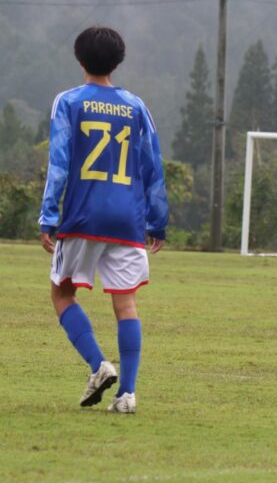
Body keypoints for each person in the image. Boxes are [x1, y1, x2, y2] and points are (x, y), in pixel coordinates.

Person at [38, 26, 168, 413]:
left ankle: (98, 366)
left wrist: (49, 216)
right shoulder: (136, 105)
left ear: (80, 60)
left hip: (83, 216)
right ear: (118, 60)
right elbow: (152, 165)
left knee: (62, 293)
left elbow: (58, 163)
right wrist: (157, 221)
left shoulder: (69, 101)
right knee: (126, 303)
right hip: (128, 219)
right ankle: (127, 395)